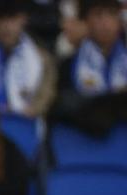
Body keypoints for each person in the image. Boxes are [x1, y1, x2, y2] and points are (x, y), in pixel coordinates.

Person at [50, 0, 127, 136]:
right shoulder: (69, 64)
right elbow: (62, 106)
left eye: (111, 14)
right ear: (86, 21)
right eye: (98, 15)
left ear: (120, 21)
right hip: (82, 145)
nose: (105, 22)